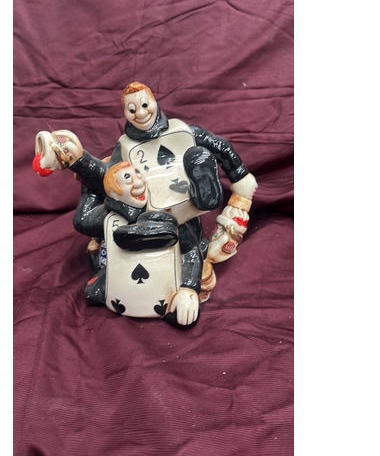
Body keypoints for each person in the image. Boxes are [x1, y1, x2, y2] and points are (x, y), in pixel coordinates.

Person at [33, 82, 258, 305]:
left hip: (184, 208)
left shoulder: (184, 132)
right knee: (116, 212)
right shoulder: (125, 148)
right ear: (125, 113)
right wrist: (78, 161)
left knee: (187, 229)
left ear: (153, 102)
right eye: (132, 110)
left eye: (144, 105)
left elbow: (221, 147)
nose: (140, 114)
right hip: (144, 214)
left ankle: (205, 191)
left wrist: (240, 177)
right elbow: (108, 177)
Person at [81, 162, 200, 327]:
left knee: (183, 316)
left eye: (138, 173)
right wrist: (88, 185)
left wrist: (188, 288)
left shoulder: (168, 209)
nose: (138, 182)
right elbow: (82, 221)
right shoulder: (107, 218)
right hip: (118, 284)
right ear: (113, 192)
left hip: (166, 285)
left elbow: (190, 251)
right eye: (128, 178)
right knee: (93, 293)